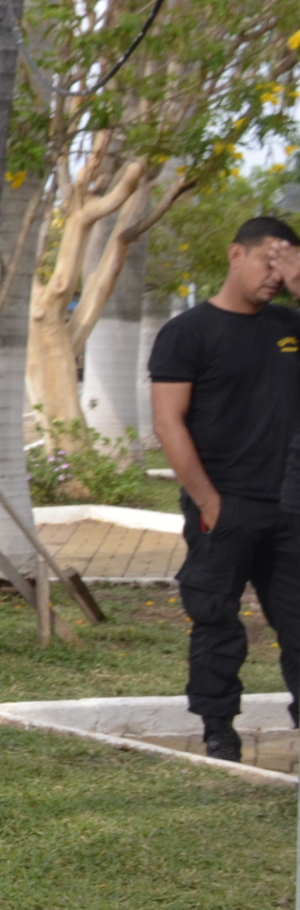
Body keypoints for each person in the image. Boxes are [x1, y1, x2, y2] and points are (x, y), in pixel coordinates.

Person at [152, 213, 300, 759]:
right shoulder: (188, 333)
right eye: (269, 260)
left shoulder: (289, 324)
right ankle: (219, 730)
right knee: (216, 620)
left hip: (290, 507)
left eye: (288, 265)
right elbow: (169, 422)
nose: (275, 274)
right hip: (224, 506)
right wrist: (210, 500)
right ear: (236, 255)